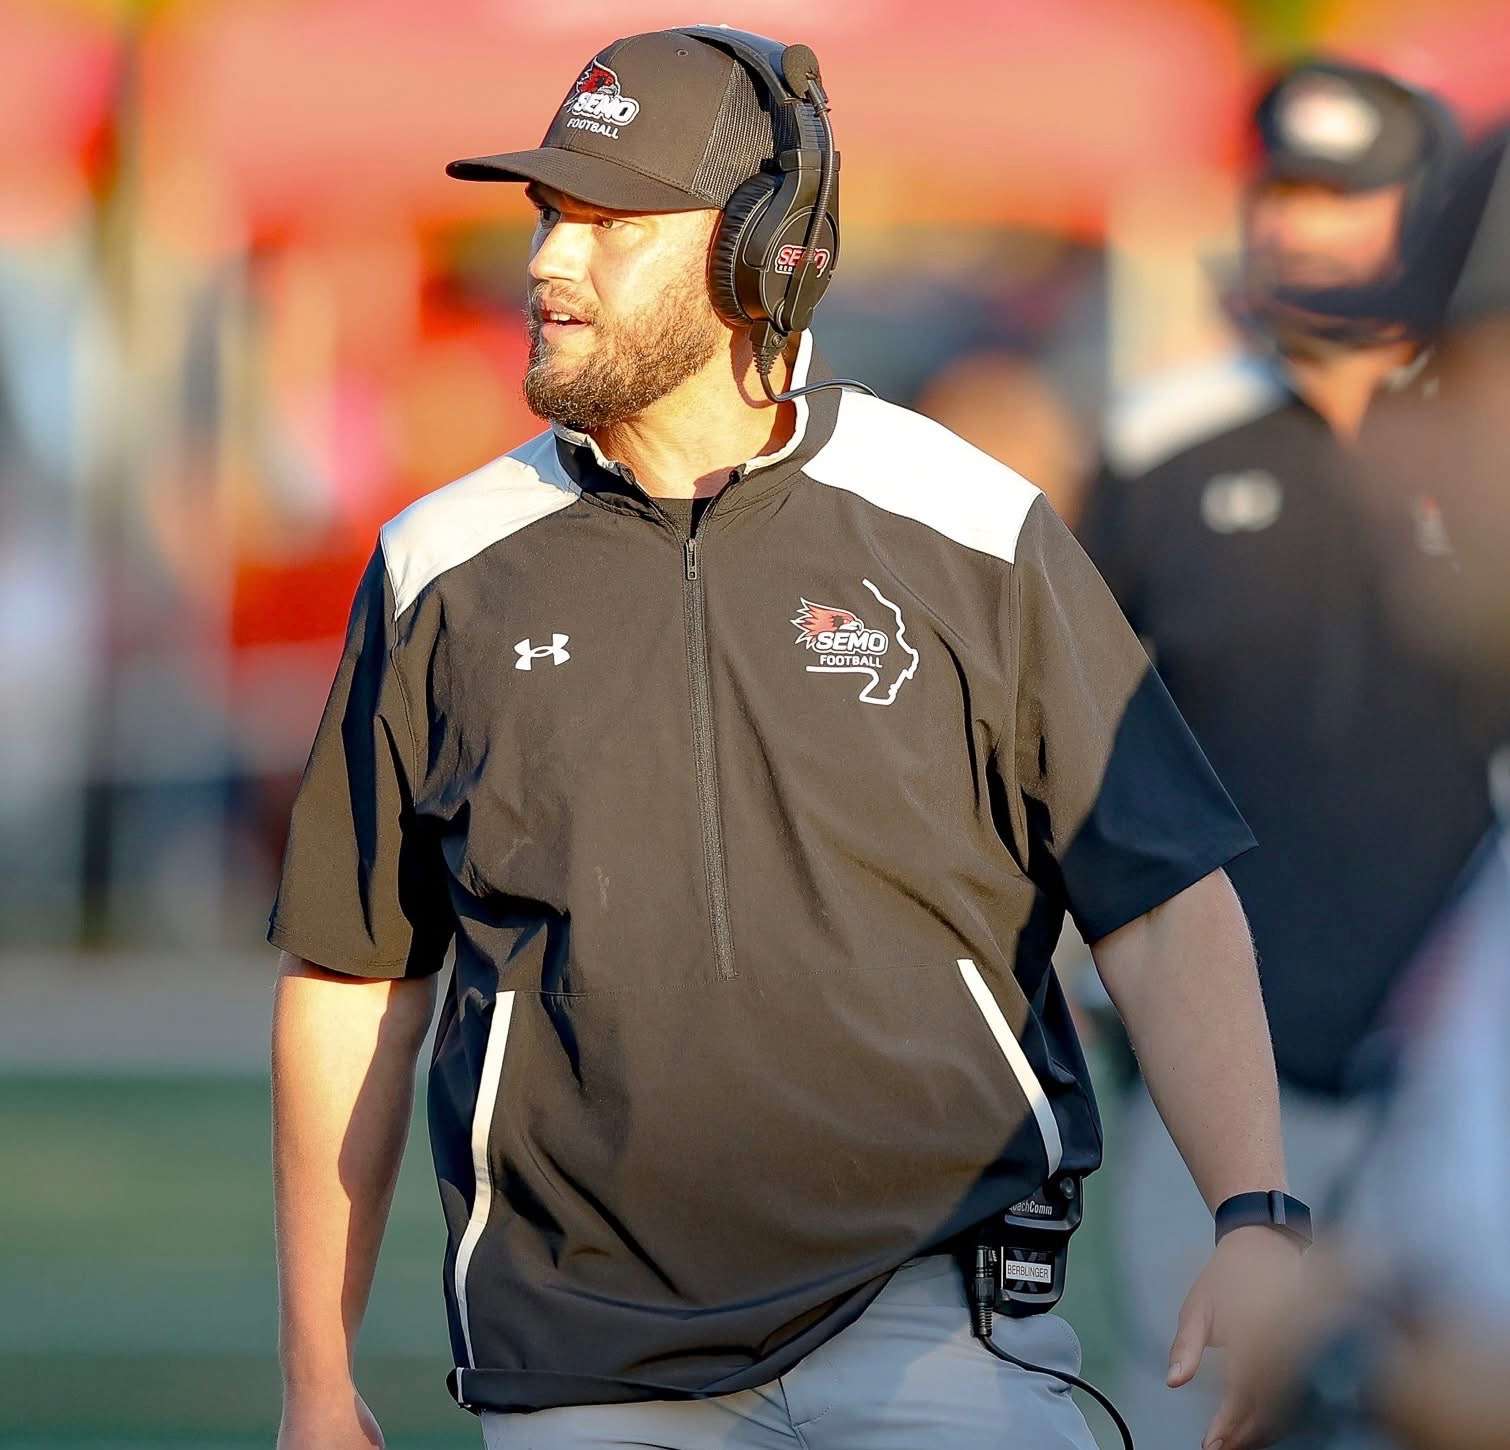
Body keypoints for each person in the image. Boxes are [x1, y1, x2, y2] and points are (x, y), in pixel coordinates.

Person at [270, 28, 1302, 1450]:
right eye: (548, 216)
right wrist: (315, 1377)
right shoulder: (434, 566)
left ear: (767, 249)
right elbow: (352, 979)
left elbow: (1162, 897)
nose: (548, 264)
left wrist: (1249, 1215)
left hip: (938, 1316)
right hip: (581, 1360)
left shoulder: (970, 525)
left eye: (611, 223)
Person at [1078, 59, 1494, 1449]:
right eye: (1280, 196)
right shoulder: (1158, 441)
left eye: (1345, 201)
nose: (1297, 233)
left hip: (1451, 1074)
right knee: (1192, 1407)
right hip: (1212, 1080)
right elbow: (1070, 739)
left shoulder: (1472, 440)